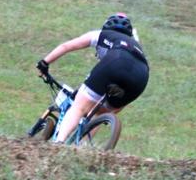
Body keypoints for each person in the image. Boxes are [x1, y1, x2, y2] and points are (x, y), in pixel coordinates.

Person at [36, 13, 149, 144]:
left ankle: (58, 144)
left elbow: (66, 46)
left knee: (79, 107)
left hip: (117, 61)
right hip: (141, 76)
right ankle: (82, 147)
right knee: (99, 113)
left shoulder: (101, 34)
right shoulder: (136, 45)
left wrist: (44, 63)